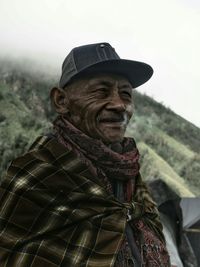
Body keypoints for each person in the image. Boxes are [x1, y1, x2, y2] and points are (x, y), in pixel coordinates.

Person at [0, 42, 171, 266]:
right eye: (101, 91)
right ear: (61, 101)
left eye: (126, 94)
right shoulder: (38, 175)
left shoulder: (128, 174)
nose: (120, 105)